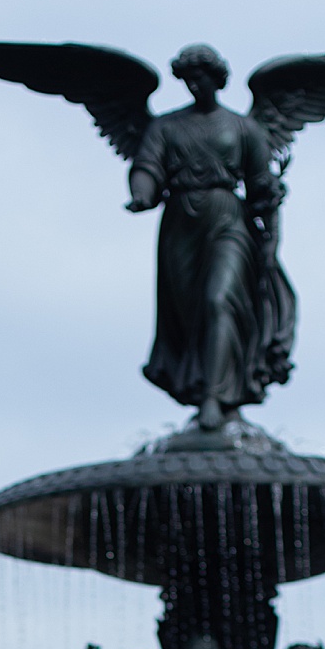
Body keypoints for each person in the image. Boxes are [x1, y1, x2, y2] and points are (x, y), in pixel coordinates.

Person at [127, 45, 296, 430]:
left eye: (200, 76)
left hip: (228, 221)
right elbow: (147, 165)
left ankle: (215, 398)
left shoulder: (242, 128)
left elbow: (260, 188)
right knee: (190, 314)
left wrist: (270, 234)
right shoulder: (166, 127)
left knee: (219, 300)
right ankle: (205, 385)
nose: (193, 84)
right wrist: (141, 192)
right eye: (187, 78)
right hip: (180, 225)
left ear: (216, 78)